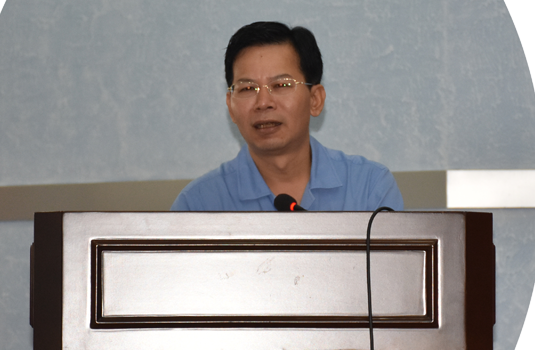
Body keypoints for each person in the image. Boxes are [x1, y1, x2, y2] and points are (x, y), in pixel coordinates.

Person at [171, 21, 403, 211]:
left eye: (281, 85)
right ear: (231, 107)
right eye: (248, 88)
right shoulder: (197, 205)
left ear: (315, 100)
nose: (263, 103)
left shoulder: (370, 189)